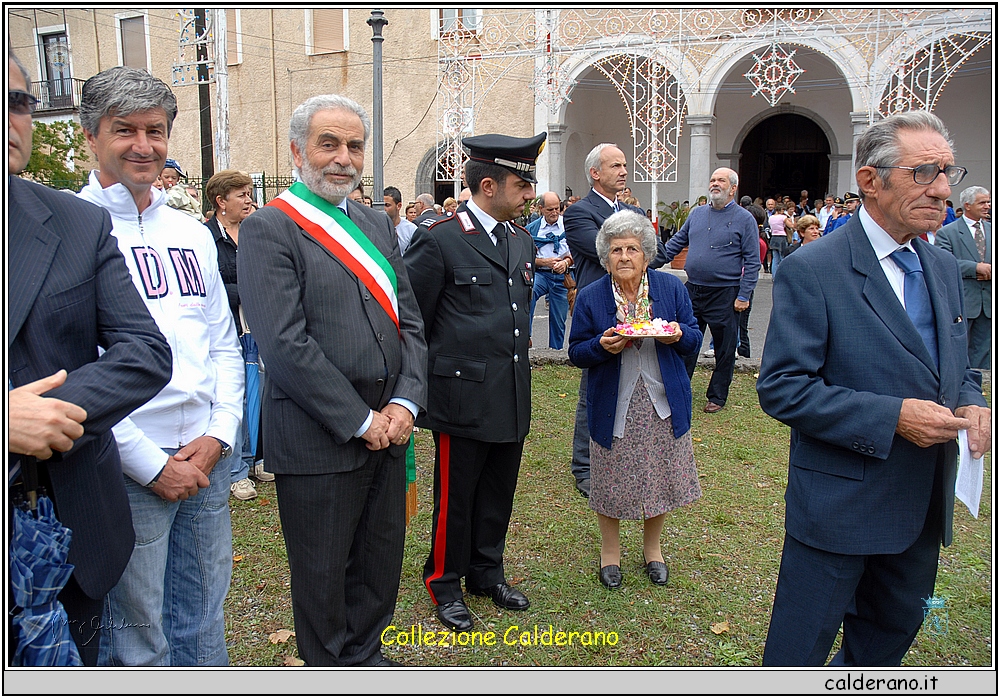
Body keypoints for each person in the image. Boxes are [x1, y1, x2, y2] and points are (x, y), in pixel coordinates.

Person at [757, 110, 991, 666]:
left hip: (920, 505)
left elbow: (956, 367)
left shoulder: (939, 265)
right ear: (870, 180)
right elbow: (783, 387)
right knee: (797, 655)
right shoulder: (815, 268)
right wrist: (892, 418)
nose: (941, 190)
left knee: (887, 641)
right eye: (924, 173)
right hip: (840, 506)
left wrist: (972, 401)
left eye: (948, 174)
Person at [238, 94, 427, 666]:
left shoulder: (374, 221)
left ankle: (367, 658)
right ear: (297, 151)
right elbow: (284, 345)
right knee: (322, 578)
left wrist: (404, 402)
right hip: (319, 440)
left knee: (379, 563)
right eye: (329, 144)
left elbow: (412, 322)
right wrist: (358, 418)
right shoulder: (269, 228)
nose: (344, 158)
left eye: (355, 146)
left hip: (390, 431)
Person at [7, 50, 172, 666]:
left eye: (20, 100)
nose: (11, 115)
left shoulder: (75, 224)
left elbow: (145, 353)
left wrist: (48, 412)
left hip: (70, 532)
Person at [77, 66, 244, 666]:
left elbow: (224, 340)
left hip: (205, 457)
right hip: (125, 465)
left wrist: (220, 433)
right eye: (124, 130)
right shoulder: (72, 231)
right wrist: (149, 464)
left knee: (204, 615)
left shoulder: (190, 234)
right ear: (90, 136)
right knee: (137, 631)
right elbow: (76, 367)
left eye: (155, 130)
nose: (143, 146)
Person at [405, 132, 545, 634]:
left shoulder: (519, 239)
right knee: (457, 496)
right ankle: (444, 581)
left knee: (498, 491)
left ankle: (487, 571)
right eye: (521, 184)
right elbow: (413, 321)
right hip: (460, 395)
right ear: (489, 185)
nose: (530, 193)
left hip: (508, 390)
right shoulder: (440, 238)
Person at [568, 211, 702, 590]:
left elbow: (693, 337)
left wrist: (676, 336)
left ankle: (653, 550)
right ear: (605, 257)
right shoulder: (592, 295)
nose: (624, 256)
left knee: (659, 475)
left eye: (632, 249)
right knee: (609, 478)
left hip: (662, 400)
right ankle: (610, 553)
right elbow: (576, 351)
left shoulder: (671, 289)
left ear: (646, 254)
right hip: (614, 403)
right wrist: (600, 345)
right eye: (616, 250)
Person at [563, 143, 647, 499]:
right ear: (595, 172)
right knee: (593, 389)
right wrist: (633, 242)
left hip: (636, 305)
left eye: (625, 165)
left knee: (636, 381)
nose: (624, 171)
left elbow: (647, 251)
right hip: (598, 309)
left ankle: (624, 450)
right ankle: (584, 465)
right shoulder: (580, 212)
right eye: (615, 165)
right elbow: (604, 250)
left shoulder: (629, 209)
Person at [661, 168, 760, 413]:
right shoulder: (696, 214)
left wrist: (744, 295)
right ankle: (679, 388)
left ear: (733, 188)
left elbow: (752, 260)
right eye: (713, 180)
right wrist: (648, 261)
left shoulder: (745, 219)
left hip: (725, 293)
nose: (715, 184)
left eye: (721, 181)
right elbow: (676, 243)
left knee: (725, 349)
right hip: (693, 290)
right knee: (684, 341)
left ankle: (717, 396)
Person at [204, 169, 274, 501]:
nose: (249, 199)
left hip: (257, 327)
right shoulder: (205, 238)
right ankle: (235, 470)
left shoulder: (255, 232)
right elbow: (208, 288)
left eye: (249, 193)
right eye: (241, 194)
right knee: (235, 396)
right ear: (221, 202)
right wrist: (244, 292)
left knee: (260, 394)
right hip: (226, 332)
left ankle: (259, 458)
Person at [935, 185, 991, 369]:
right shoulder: (947, 232)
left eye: (988, 202)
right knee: (957, 349)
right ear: (967, 205)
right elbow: (943, 263)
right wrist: (975, 268)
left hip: (989, 303)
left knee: (984, 351)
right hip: (963, 301)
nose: (987, 206)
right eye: (982, 202)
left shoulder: (992, 230)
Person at [527, 191, 573, 349]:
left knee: (558, 320)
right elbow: (524, 257)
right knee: (528, 294)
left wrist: (566, 262)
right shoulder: (532, 229)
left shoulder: (569, 225)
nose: (554, 213)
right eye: (550, 210)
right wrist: (542, 261)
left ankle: (555, 352)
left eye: (557, 208)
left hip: (562, 277)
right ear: (541, 209)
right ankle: (526, 338)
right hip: (541, 273)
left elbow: (577, 251)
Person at [384, 185, 418, 255]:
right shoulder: (376, 228)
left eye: (387, 205)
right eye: (382, 205)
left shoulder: (411, 229)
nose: (384, 209)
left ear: (399, 206)